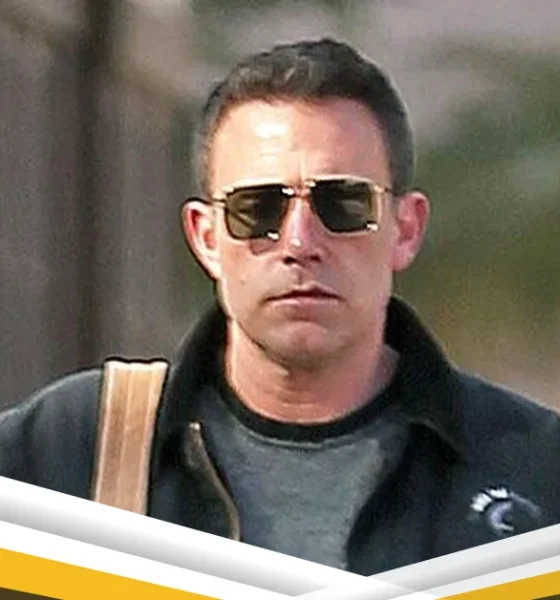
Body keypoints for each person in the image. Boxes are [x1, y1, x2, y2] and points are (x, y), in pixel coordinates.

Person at [1, 38, 559, 576]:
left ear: (406, 230)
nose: (299, 241)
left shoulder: (534, 471)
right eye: (257, 208)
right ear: (206, 237)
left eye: (343, 204)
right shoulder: (70, 451)